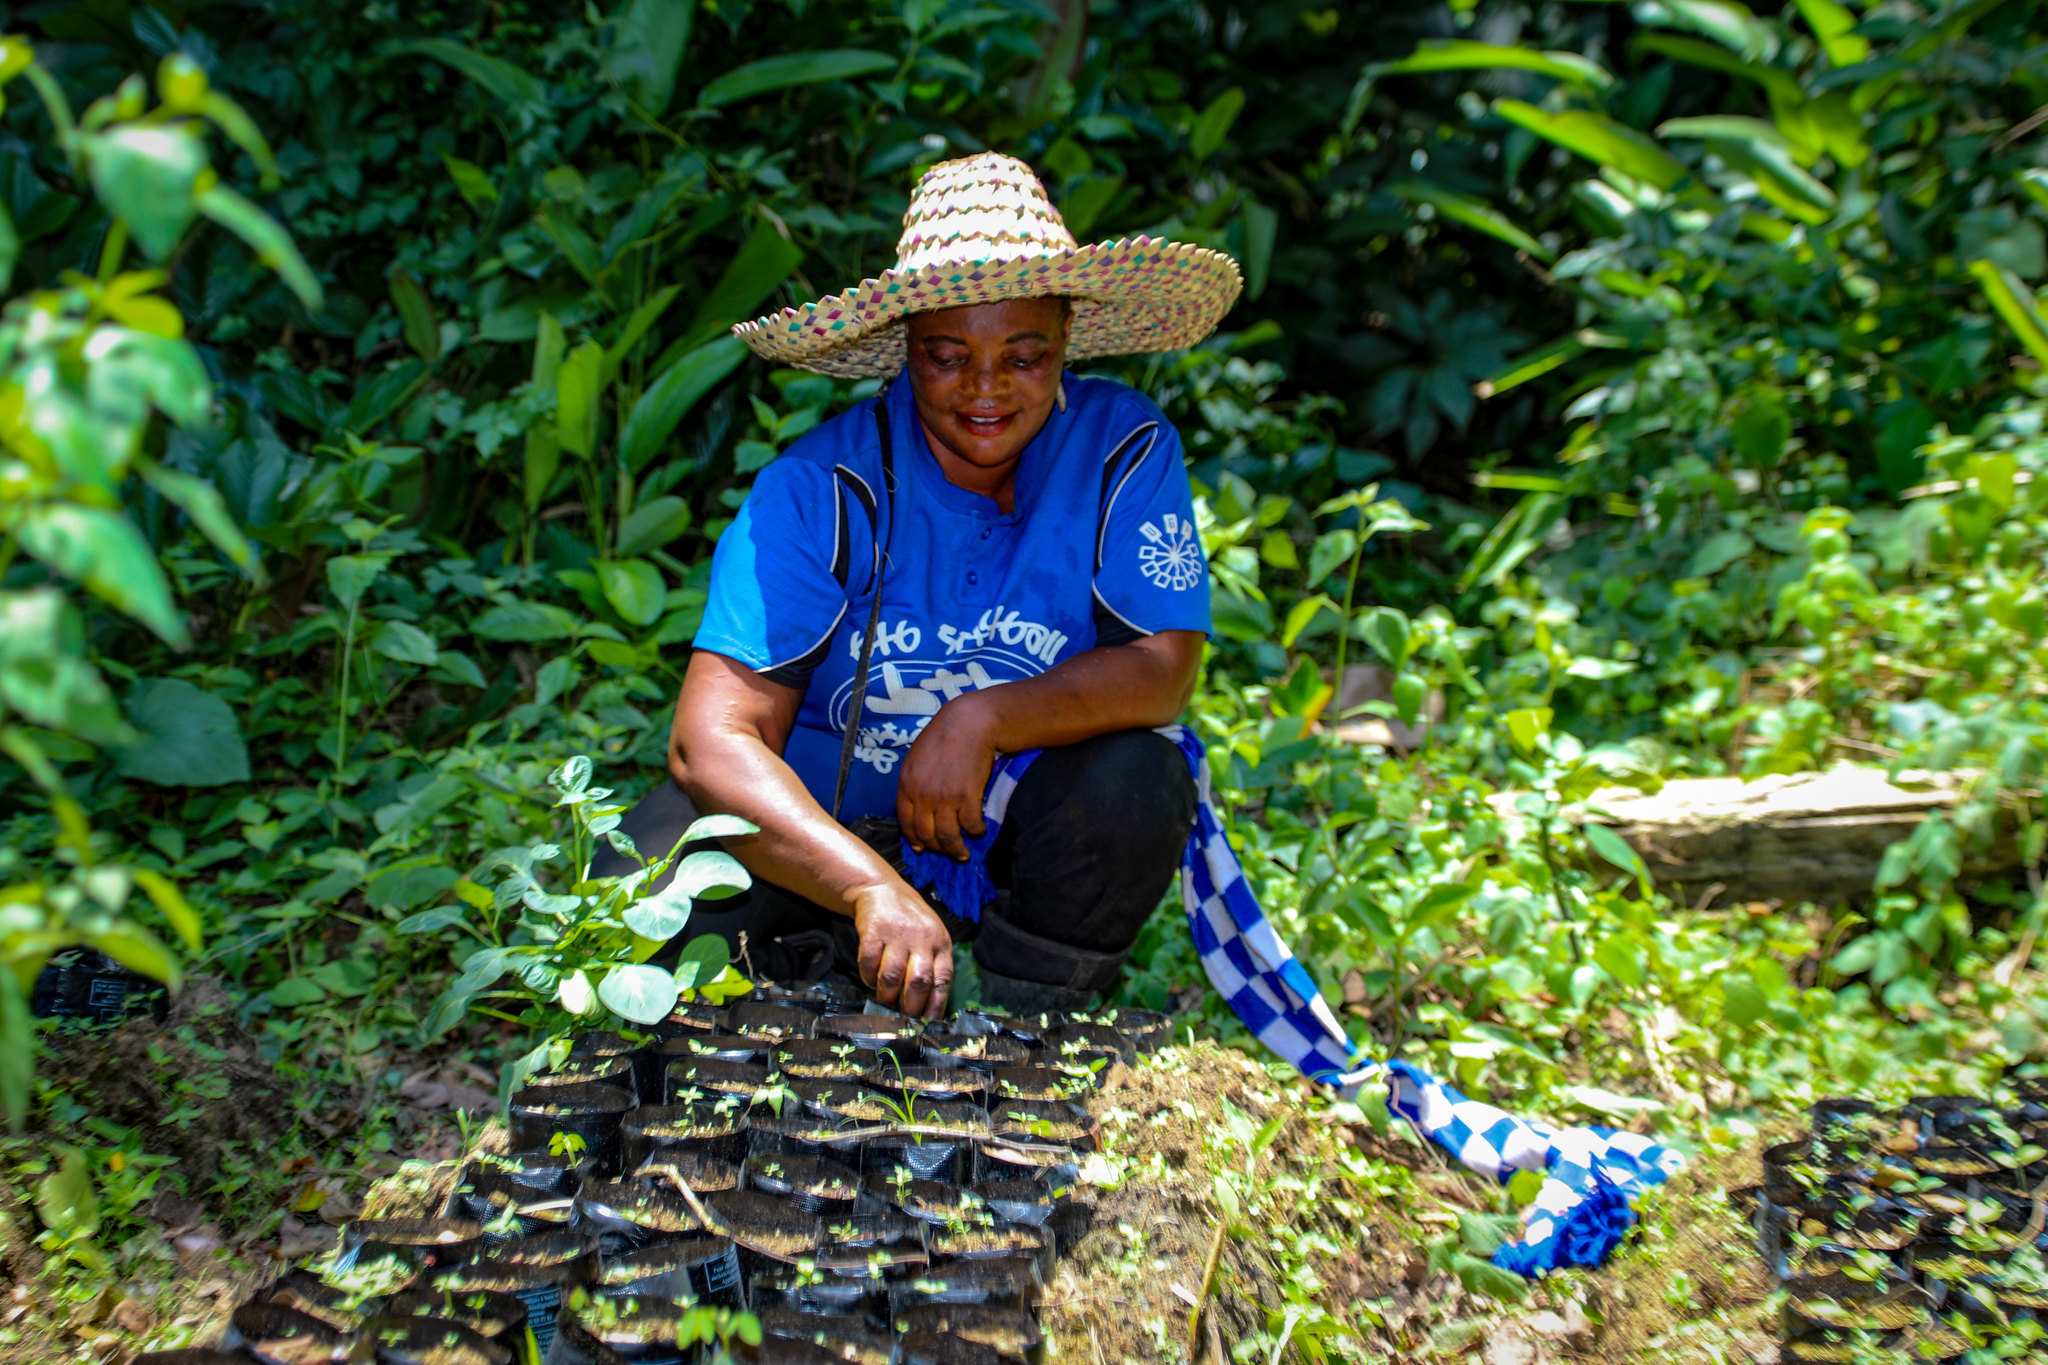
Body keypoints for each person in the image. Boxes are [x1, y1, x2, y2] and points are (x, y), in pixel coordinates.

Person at [593, 152, 1242, 1018]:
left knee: (1139, 777)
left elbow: (1162, 668)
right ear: (905, 346)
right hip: (820, 840)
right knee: (638, 896)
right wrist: (866, 884)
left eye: (1024, 356)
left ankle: (1022, 1013)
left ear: (1066, 339)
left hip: (1007, 835)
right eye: (947, 356)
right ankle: (822, 963)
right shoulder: (820, 489)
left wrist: (981, 718)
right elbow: (708, 742)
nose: (986, 386)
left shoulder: (1120, 448)